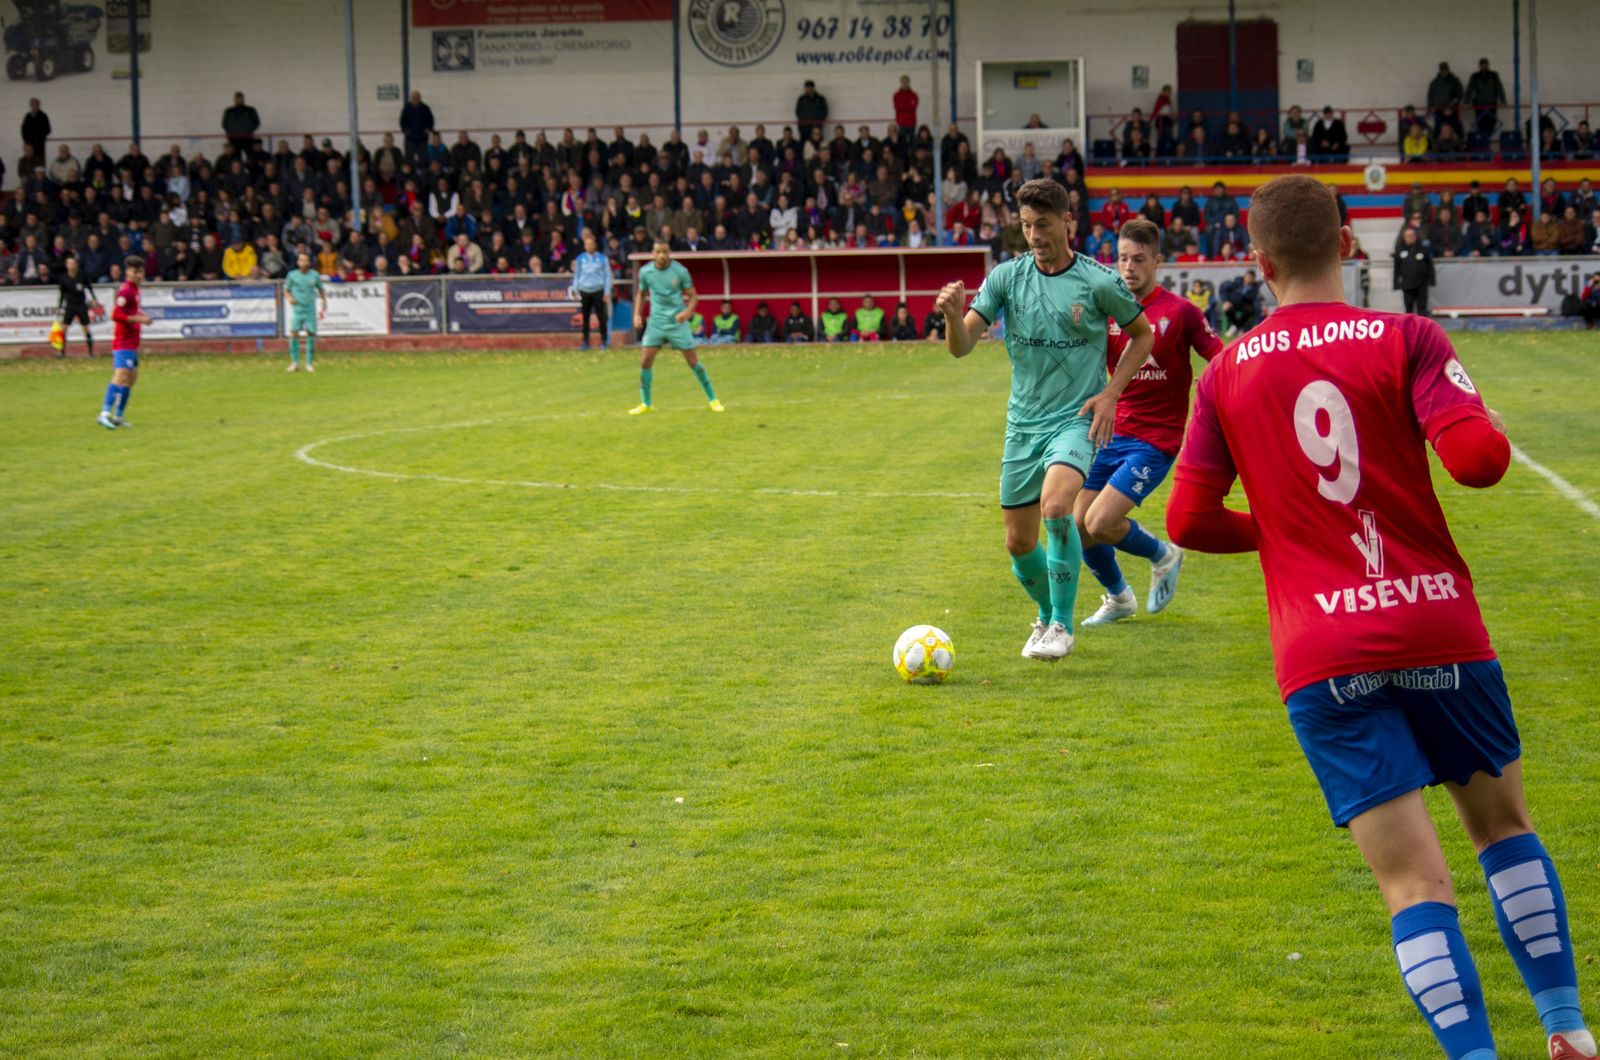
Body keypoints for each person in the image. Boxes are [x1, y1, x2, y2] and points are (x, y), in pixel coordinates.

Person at [1166, 171, 1594, 1060]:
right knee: (1505, 830)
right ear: (1351, 244)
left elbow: (1187, 522)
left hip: (1324, 650)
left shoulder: (1229, 374)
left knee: (1411, 884)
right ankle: (1567, 1030)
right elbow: (1476, 462)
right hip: (1438, 625)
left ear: (1257, 262)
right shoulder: (1408, 337)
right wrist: (1488, 424)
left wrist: (1287, 534)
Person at [935, 178, 1154, 661]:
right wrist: (953, 317)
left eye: (1044, 224)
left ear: (1067, 221)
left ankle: (1061, 625)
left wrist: (1111, 394)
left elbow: (1143, 334)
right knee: (1018, 542)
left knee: (1057, 508)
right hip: (1022, 425)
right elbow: (962, 347)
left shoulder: (1098, 281)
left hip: (1076, 419)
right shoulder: (1006, 278)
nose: (1034, 235)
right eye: (1027, 225)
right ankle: (1044, 615)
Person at [1075, 218, 1220, 628]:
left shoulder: (1182, 312)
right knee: (1078, 526)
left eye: (1138, 259)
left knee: (1101, 521)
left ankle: (1164, 555)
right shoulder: (1105, 312)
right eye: (1122, 258)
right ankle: (1119, 598)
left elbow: (1221, 359)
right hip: (1109, 432)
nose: (1129, 268)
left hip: (1155, 440)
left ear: (1158, 261)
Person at [630, 240, 722, 414]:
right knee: (645, 361)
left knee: (693, 361)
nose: (662, 256)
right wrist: (637, 314)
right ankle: (646, 403)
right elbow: (641, 294)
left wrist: (686, 313)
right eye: (658, 252)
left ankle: (713, 399)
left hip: (677, 323)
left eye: (665, 252)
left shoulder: (680, 271)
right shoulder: (645, 272)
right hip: (656, 322)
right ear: (653, 253)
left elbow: (693, 296)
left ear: (670, 252)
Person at [98, 257, 150, 429]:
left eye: (141, 272)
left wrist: (141, 316)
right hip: (123, 342)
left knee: (131, 378)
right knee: (121, 376)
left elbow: (132, 311)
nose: (139, 275)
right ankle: (104, 414)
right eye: (135, 272)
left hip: (132, 343)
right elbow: (116, 315)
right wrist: (139, 318)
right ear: (128, 272)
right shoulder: (125, 291)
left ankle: (118, 416)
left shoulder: (135, 290)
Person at [283, 250, 327, 372]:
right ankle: (294, 363)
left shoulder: (314, 275)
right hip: (298, 309)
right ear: (298, 262)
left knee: (311, 334)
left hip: (309, 309)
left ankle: (309, 363)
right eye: (301, 260)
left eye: (306, 260)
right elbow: (286, 289)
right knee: (293, 333)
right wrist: (289, 297)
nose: (304, 262)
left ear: (309, 262)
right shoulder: (292, 275)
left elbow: (321, 289)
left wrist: (324, 302)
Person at [569, 230, 612, 350]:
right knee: (585, 318)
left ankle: (604, 341)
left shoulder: (603, 258)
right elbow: (577, 275)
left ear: (595, 245)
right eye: (587, 244)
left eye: (591, 244)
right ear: (584, 246)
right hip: (584, 291)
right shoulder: (580, 259)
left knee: (601, 317)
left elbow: (607, 275)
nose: (589, 246)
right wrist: (575, 289)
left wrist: (607, 291)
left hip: (598, 290)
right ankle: (585, 342)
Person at [55, 255, 100, 359]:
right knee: (64, 328)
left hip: (81, 305)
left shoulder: (82, 275)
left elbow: (89, 287)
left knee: (86, 328)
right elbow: (61, 294)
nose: (71, 265)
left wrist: (93, 298)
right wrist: (59, 307)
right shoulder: (63, 278)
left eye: (73, 263)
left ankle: (90, 352)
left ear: (76, 265)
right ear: (66, 265)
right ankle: (62, 352)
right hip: (70, 305)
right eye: (69, 263)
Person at [1465, 57, 1507, 136]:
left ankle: (1487, 138)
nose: (1484, 66)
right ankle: (1483, 141)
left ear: (1488, 65)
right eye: (1482, 65)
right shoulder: (1475, 76)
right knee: (1480, 123)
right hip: (1479, 105)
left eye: (1485, 64)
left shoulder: (1494, 75)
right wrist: (1466, 101)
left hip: (1491, 104)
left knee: (1492, 122)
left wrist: (1503, 100)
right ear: (1479, 66)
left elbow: (1499, 88)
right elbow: (1469, 89)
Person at [1218, 269, 1263, 337]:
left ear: (1253, 279)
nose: (1247, 279)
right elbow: (1224, 290)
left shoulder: (1254, 287)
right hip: (1232, 302)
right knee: (1228, 309)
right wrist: (1226, 301)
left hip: (1245, 304)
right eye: (1246, 276)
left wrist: (1257, 322)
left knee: (1250, 310)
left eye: (1250, 278)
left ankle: (1235, 327)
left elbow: (1255, 300)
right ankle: (1238, 327)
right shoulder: (1236, 282)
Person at [399, 90, 434, 164]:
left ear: (420, 98)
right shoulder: (406, 108)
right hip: (410, 139)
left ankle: (422, 173)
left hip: (422, 139)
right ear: (411, 98)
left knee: (423, 158)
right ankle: (410, 175)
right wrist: (404, 130)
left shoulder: (425, 108)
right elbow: (402, 121)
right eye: (413, 97)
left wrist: (429, 129)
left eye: (417, 97)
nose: (415, 99)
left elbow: (431, 120)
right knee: (409, 158)